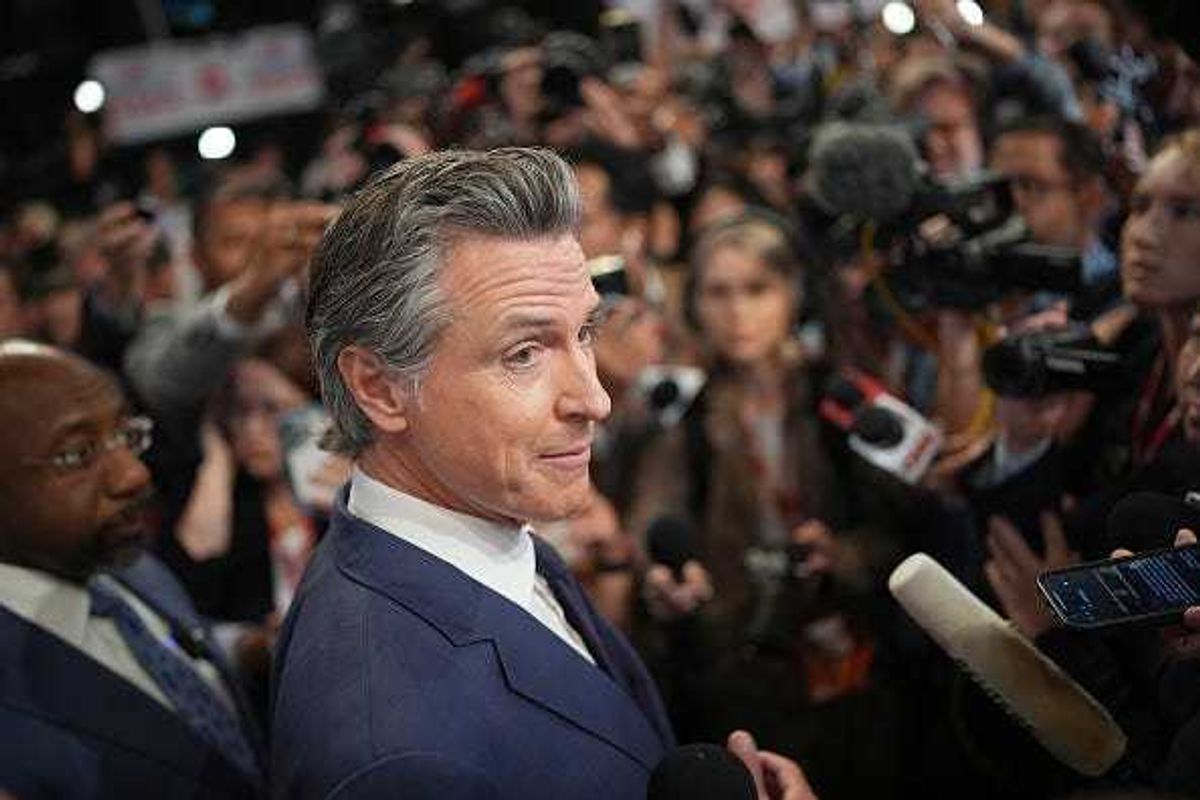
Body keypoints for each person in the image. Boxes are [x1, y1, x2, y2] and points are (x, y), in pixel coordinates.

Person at [271, 148, 814, 799]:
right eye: (524, 353)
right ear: (380, 388)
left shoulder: (489, 521)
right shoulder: (397, 758)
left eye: (585, 333)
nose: (594, 400)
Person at [0, 341, 263, 798]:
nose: (133, 474)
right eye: (76, 454)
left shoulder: (118, 556)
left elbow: (163, 647)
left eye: (125, 434)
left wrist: (246, 650)